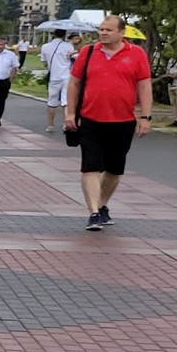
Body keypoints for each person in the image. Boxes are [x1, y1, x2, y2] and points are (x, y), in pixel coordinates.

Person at [63, 14, 154, 231]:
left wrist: (145, 117)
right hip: (90, 119)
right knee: (90, 166)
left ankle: (102, 205)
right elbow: (74, 84)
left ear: (122, 33)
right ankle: (93, 212)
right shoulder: (88, 52)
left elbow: (144, 86)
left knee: (114, 169)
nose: (103, 33)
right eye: (101, 29)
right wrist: (69, 113)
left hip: (122, 120)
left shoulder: (136, 54)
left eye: (108, 30)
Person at [41, 32, 76, 131]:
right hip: (66, 75)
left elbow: (44, 63)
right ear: (64, 35)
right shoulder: (69, 46)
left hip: (53, 76)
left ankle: (50, 125)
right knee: (66, 101)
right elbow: (72, 58)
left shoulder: (45, 46)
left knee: (52, 101)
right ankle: (66, 124)